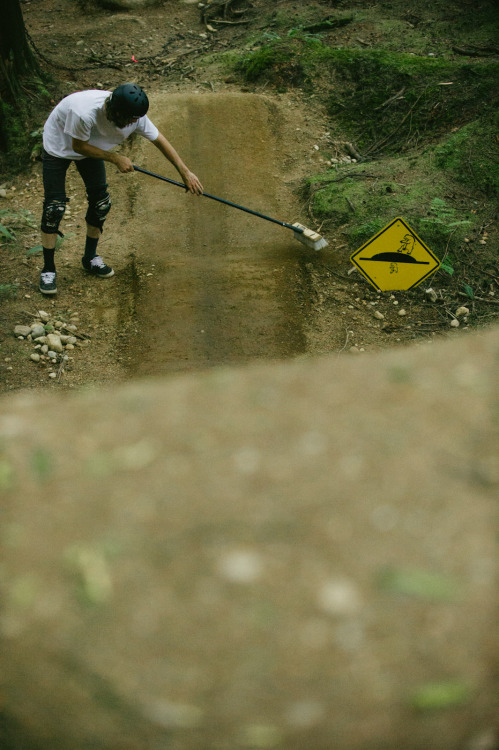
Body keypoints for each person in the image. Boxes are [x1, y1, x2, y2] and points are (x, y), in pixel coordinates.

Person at [39, 83, 203, 295]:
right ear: (114, 111)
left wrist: (185, 172)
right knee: (55, 208)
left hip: (92, 147)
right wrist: (114, 157)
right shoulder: (83, 113)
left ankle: (90, 258)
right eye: (130, 119)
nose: (134, 123)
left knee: (101, 203)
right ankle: (48, 270)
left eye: (136, 119)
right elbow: (78, 147)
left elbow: (159, 139)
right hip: (60, 145)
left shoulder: (134, 115)